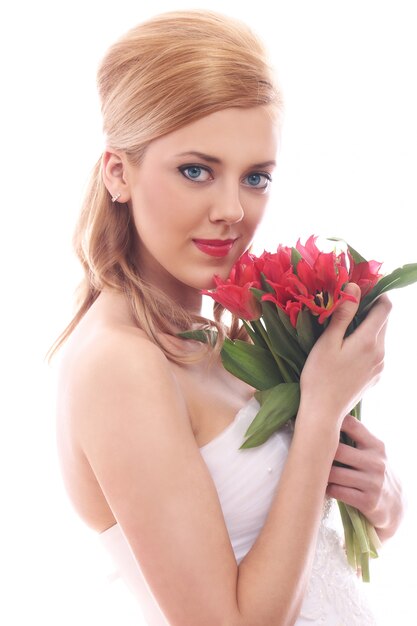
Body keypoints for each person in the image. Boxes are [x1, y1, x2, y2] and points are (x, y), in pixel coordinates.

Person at [53, 9, 403, 626]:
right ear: (119, 172)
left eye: (255, 177)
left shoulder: (218, 338)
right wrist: (320, 411)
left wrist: (382, 497)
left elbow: (315, 553)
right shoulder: (119, 361)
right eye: (196, 171)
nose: (231, 210)